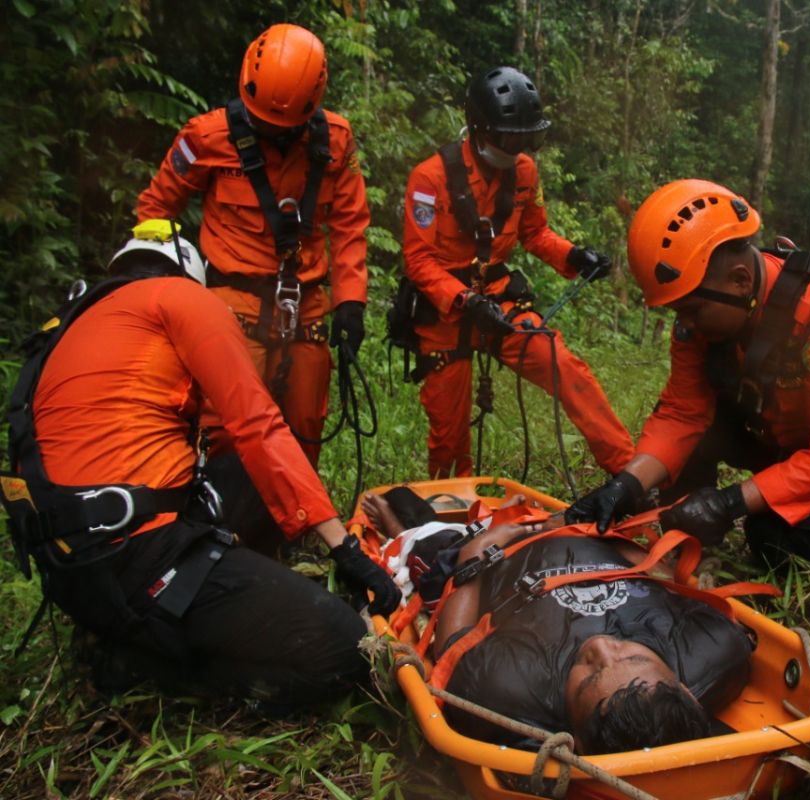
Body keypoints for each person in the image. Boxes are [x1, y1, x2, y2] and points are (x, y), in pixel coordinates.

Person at [1, 221, 400, 706]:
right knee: (343, 651)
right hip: (138, 554)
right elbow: (257, 423)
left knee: (248, 482)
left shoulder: (78, 322)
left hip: (71, 564)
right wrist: (345, 550)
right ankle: (152, 665)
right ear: (192, 276)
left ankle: (184, 609)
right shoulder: (183, 299)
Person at [566, 179, 810, 569]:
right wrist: (624, 486)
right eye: (678, 311)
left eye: (692, 310)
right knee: (692, 444)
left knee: (778, 543)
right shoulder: (709, 311)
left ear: (740, 280)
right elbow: (684, 413)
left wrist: (729, 503)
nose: (685, 326)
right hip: (794, 430)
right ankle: (694, 540)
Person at [137, 23, 370, 465]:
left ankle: (295, 523)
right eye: (263, 122)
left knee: (306, 425)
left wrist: (351, 301)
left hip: (307, 303)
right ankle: (220, 521)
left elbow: (349, 224)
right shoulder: (206, 138)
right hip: (232, 301)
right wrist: (162, 285)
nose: (271, 131)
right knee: (225, 425)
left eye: (282, 127)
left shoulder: (334, 141)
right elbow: (155, 209)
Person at [359, 493, 751, 754]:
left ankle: (400, 526)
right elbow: (665, 579)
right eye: (632, 657)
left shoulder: (512, 688)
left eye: (588, 674)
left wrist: (479, 550)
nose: (599, 648)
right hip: (575, 535)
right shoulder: (715, 650)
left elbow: (452, 644)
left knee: (429, 542)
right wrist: (598, 534)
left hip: (498, 556)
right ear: (685, 689)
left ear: (574, 737)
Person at [400, 65, 633, 479]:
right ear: (479, 128)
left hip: (499, 300)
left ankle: (629, 471)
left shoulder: (523, 171)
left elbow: (536, 233)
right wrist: (465, 302)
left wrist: (575, 256)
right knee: (449, 434)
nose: (518, 148)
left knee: (565, 368)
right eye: (510, 137)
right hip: (445, 312)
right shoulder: (430, 177)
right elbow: (418, 261)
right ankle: (448, 504)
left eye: (528, 139)